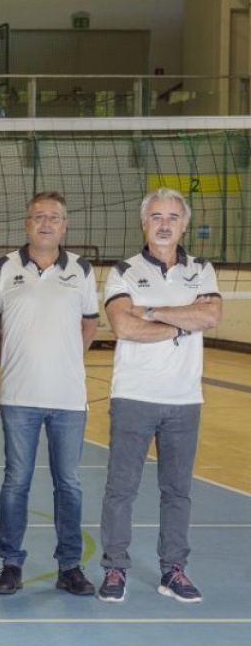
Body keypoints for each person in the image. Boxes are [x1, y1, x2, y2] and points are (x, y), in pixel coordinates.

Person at [98, 187, 220, 604]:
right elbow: (123, 327)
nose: (164, 224)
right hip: (133, 396)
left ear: (184, 225)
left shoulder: (202, 270)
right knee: (121, 489)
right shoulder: (123, 272)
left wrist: (150, 312)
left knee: (177, 491)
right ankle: (115, 566)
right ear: (143, 223)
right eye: (156, 217)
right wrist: (184, 322)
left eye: (172, 217)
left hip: (185, 400)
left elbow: (211, 315)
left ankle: (174, 570)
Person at [0, 192, 100, 596]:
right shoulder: (3, 268)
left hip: (68, 400)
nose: (46, 223)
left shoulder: (81, 270)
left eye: (54, 217)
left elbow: (90, 323)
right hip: (19, 397)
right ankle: (10, 565)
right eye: (39, 216)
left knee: (68, 484)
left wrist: (66, 359)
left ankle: (69, 567)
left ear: (64, 225)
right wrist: (13, 361)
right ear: (27, 223)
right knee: (16, 482)